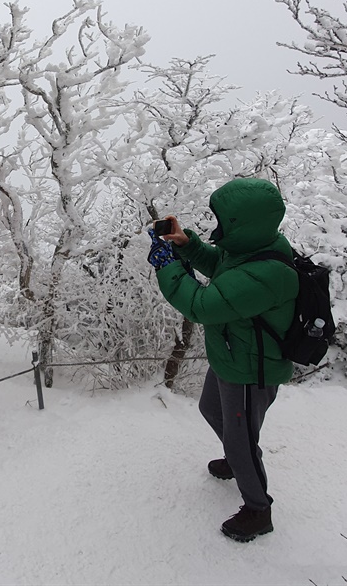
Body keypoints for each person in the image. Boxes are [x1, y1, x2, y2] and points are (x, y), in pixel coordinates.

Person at [147, 178, 299, 543]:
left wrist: (168, 267)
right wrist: (188, 246)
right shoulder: (255, 247)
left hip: (250, 368)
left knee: (240, 437)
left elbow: (202, 305)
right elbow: (224, 269)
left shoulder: (268, 274)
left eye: (224, 221)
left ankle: (258, 510)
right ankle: (237, 456)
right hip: (232, 355)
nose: (218, 227)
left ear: (244, 225)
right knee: (212, 410)